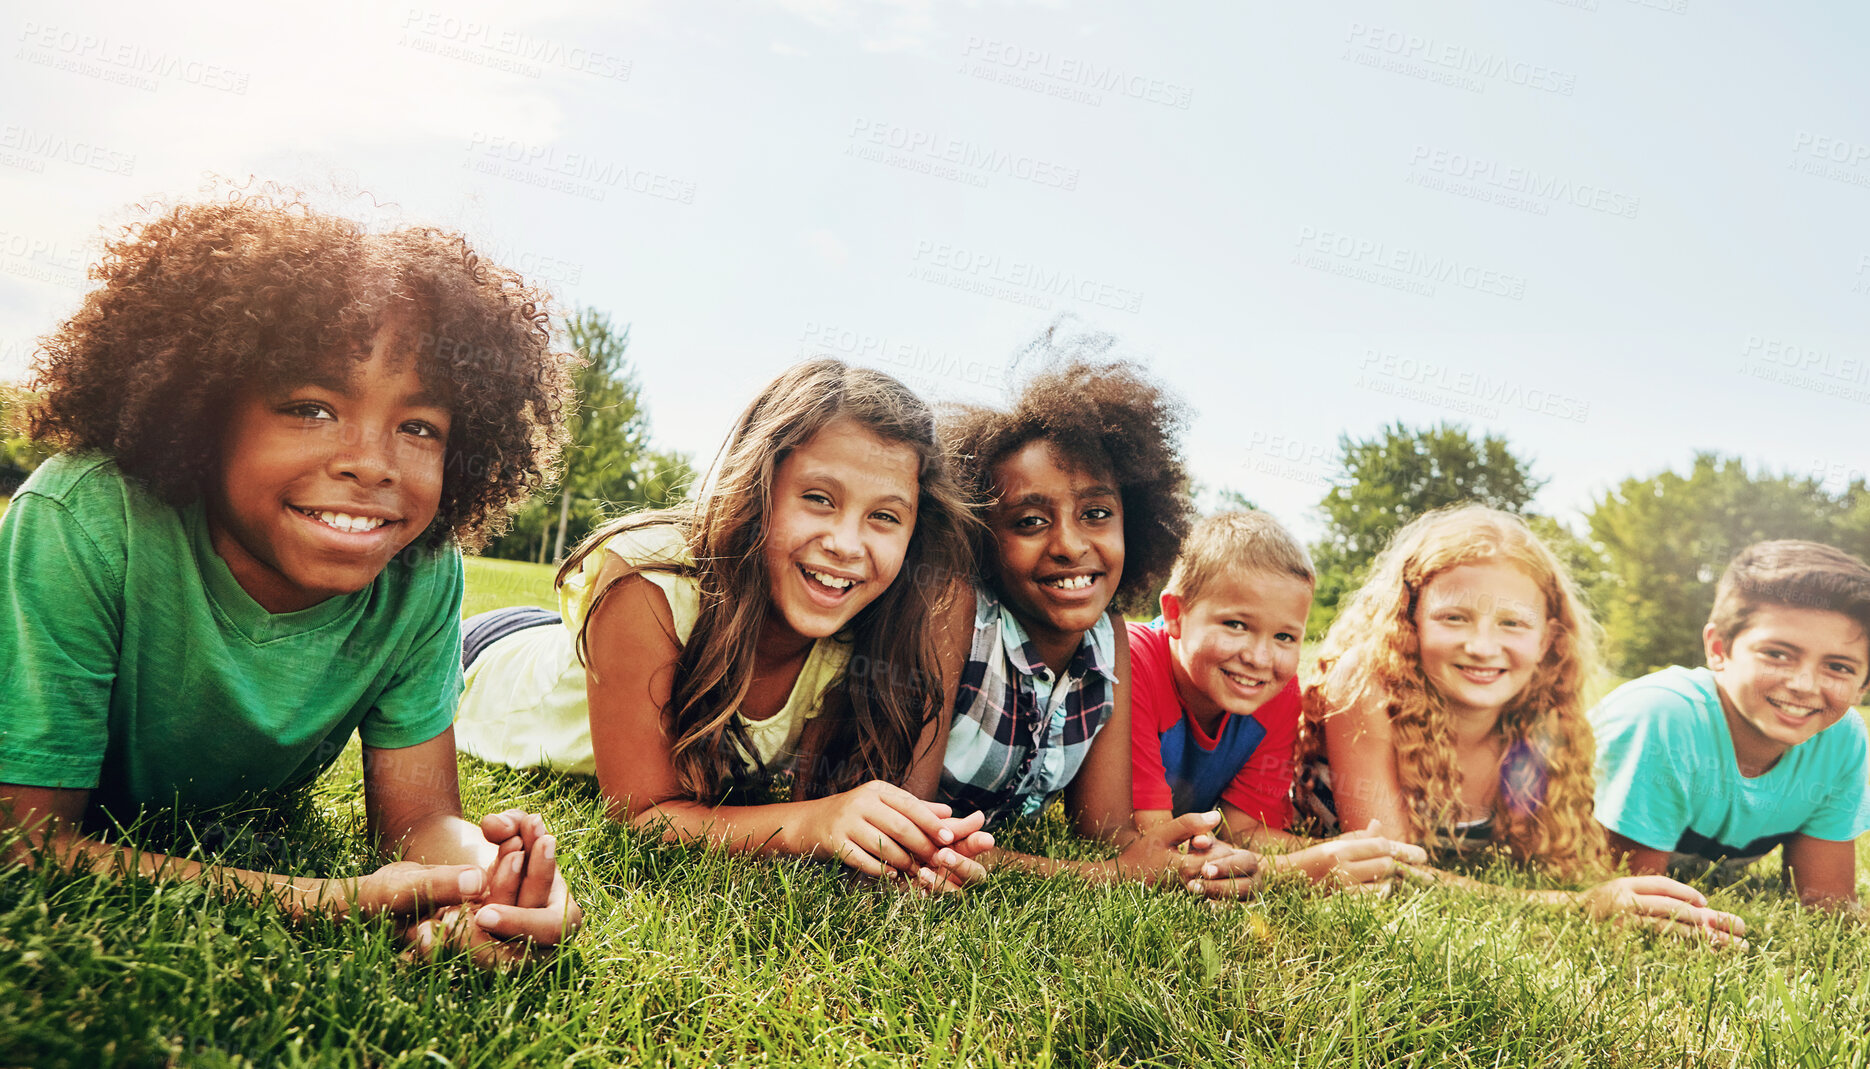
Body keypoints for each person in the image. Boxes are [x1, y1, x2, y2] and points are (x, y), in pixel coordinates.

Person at [0, 191, 583, 966]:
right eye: (311, 407)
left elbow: (418, 821)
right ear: (205, 413)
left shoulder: (418, 572)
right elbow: (26, 844)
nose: (370, 462)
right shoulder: (86, 518)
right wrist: (322, 900)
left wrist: (488, 883)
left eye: (418, 427)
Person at [455, 359, 992, 892]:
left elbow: (871, 803)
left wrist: (917, 847)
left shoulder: (884, 615)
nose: (847, 544)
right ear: (759, 490)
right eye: (818, 499)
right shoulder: (645, 576)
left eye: (885, 516)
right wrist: (814, 823)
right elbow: (643, 815)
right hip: (485, 661)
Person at [1294, 506, 1745, 939]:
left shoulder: (1542, 716)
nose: (1483, 646)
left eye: (1512, 623)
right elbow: (1389, 870)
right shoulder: (1368, 682)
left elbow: (1549, 862)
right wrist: (1579, 907)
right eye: (1454, 618)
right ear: (1410, 620)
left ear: (1547, 638)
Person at [933, 341, 1273, 893]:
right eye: (1029, 521)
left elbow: (1107, 832)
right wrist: (1100, 878)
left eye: (1095, 514)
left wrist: (1195, 864)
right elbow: (906, 829)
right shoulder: (954, 615)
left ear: (1133, 521)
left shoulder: (1107, 634)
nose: (1070, 545)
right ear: (978, 535)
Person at [1129, 510, 1425, 886]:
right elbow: (1153, 842)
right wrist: (1307, 868)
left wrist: (1343, 852)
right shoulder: (1134, 660)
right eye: (1236, 625)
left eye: (1284, 637)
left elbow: (1242, 830)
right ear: (1175, 613)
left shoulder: (1278, 695)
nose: (1260, 659)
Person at [1591, 540, 1870, 909]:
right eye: (1777, 654)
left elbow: (1827, 902)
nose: (1804, 685)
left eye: (1838, 667)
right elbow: (1635, 896)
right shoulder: (1662, 715)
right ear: (1719, 649)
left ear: (1863, 685)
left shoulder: (1843, 739)